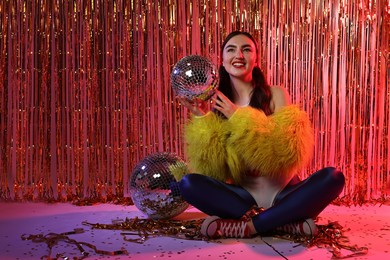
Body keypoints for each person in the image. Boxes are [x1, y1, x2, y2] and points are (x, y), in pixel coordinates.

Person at [177, 31, 345, 239]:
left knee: (333, 177)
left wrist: (238, 116)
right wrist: (201, 118)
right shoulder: (217, 109)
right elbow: (215, 171)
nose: (239, 54)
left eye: (246, 49)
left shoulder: (276, 94)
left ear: (256, 59)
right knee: (188, 184)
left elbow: (286, 152)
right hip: (242, 198)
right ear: (222, 60)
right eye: (231, 49)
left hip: (285, 193)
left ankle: (249, 226)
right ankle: (284, 223)